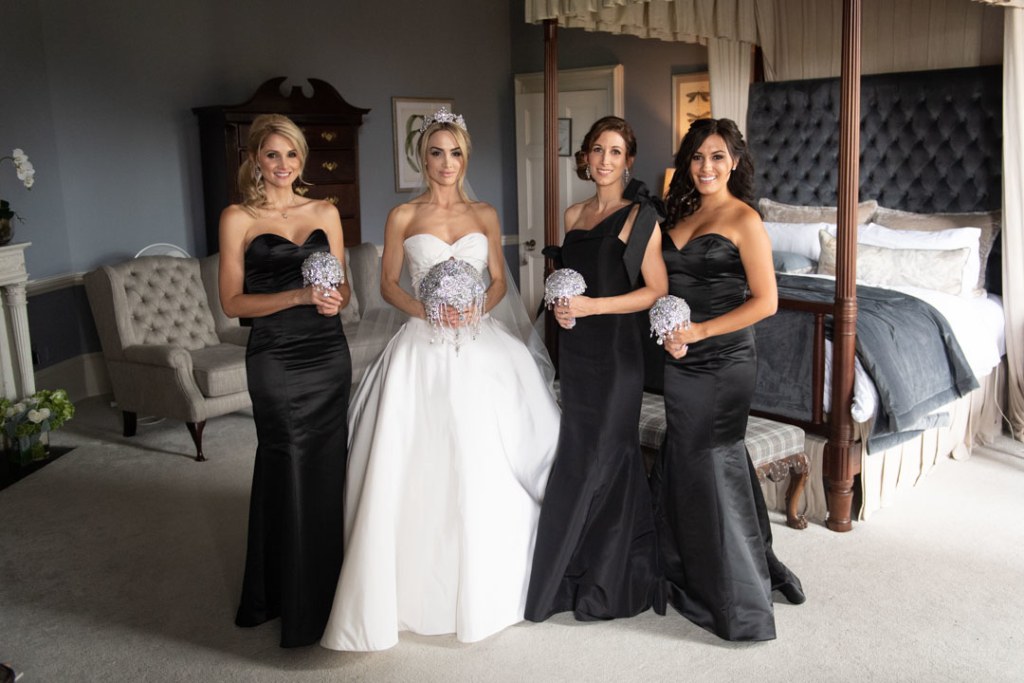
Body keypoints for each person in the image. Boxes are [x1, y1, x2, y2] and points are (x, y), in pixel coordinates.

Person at [319, 108, 560, 651]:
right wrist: (428, 310)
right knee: (417, 457)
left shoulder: (486, 213)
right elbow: (385, 285)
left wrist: (476, 308)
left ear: (464, 157)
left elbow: (498, 281)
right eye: (435, 152)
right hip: (421, 345)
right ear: (421, 158)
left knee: (486, 452)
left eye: (454, 153)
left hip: (479, 341)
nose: (446, 163)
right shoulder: (402, 215)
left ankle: (499, 579)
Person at [653, 117, 805, 642]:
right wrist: (672, 331)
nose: (706, 167)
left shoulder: (745, 220)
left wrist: (699, 331)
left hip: (725, 358)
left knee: (712, 458)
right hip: (681, 354)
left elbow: (768, 302)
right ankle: (697, 571)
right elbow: (662, 287)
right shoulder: (682, 210)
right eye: (697, 157)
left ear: (735, 162)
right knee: (693, 459)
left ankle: (737, 602)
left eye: (717, 156)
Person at [525, 116, 668, 622]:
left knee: (610, 455)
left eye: (615, 152)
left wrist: (592, 308)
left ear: (629, 160)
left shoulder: (640, 216)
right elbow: (571, 283)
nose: (604, 160)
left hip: (617, 352)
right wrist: (566, 310)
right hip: (579, 351)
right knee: (580, 453)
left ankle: (608, 580)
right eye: (596, 151)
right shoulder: (573, 214)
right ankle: (572, 569)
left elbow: (655, 290)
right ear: (584, 158)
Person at [219, 114, 352, 648]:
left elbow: (342, 288)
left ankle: (330, 590)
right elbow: (232, 304)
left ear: (303, 159)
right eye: (272, 155)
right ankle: (277, 593)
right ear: (255, 159)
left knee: (326, 464)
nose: (282, 165)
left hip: (326, 352)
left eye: (291, 155)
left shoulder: (326, 211)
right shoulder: (237, 217)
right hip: (274, 353)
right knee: (285, 458)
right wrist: (298, 295)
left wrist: (332, 297)